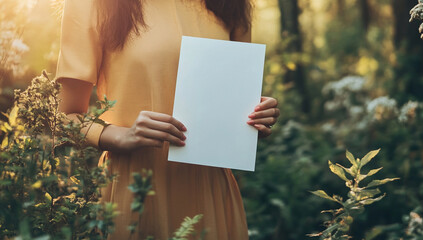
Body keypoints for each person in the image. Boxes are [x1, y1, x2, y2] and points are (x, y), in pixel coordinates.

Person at [55, 0, 280, 239]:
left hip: (211, 191)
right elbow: (63, 117)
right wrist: (119, 135)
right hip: (135, 186)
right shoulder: (93, 4)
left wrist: (258, 115)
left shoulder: (230, 4)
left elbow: (234, 105)